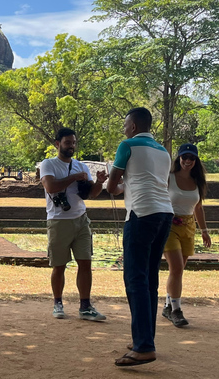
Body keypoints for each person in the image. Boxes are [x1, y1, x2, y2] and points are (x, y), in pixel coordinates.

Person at [106, 107, 174, 367]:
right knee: (150, 279)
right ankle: (145, 338)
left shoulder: (127, 145)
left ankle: (144, 346)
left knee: (135, 278)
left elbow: (113, 187)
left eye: (125, 124)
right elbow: (153, 182)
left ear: (133, 126)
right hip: (164, 213)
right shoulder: (163, 151)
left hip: (141, 214)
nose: (124, 129)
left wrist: (109, 183)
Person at [40, 128, 109, 321]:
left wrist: (99, 182)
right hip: (58, 221)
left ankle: (85, 306)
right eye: (68, 142)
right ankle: (58, 303)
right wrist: (73, 177)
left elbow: (90, 195)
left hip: (81, 219)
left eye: (74, 143)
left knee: (85, 263)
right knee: (59, 266)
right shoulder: (49, 164)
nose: (71, 146)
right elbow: (51, 187)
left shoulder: (81, 166)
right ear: (57, 144)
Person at [163, 143, 212, 327]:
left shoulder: (198, 181)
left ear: (196, 160)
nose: (188, 161)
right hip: (170, 226)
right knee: (176, 268)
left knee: (178, 270)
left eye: (192, 158)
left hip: (188, 226)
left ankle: (168, 305)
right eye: (185, 157)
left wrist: (204, 231)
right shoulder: (169, 178)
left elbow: (198, 207)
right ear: (179, 159)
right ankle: (176, 310)